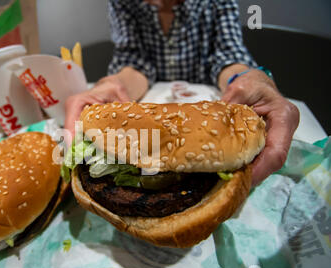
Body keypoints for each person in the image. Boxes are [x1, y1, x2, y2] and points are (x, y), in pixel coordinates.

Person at [64, 0, 299, 187]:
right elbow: (135, 62)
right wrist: (112, 85)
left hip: (213, 115)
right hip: (147, 116)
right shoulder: (124, 2)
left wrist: (249, 80)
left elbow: (228, 57)